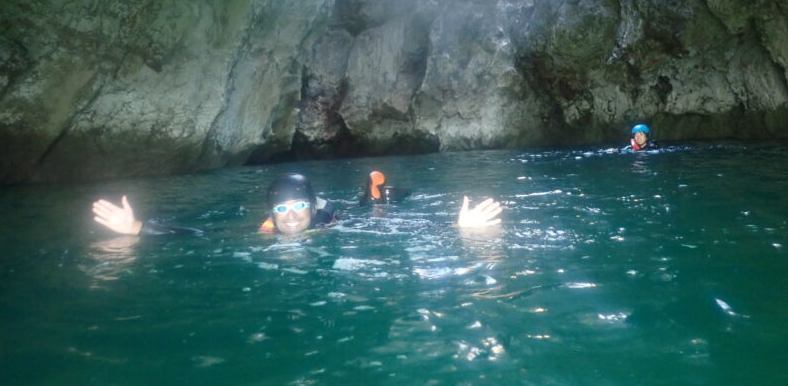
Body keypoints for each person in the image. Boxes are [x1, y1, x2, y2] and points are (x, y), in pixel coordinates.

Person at [92, 171, 505, 237]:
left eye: (298, 208)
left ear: (310, 207)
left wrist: (458, 230)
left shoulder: (327, 225)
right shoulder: (265, 234)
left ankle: (375, 190)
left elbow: (397, 236)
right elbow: (202, 236)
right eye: (282, 211)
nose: (292, 219)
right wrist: (138, 229)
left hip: (347, 217)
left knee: (371, 210)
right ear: (271, 215)